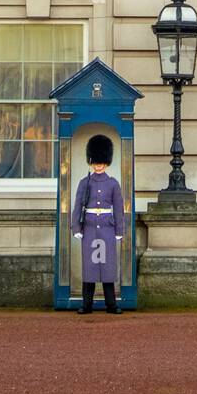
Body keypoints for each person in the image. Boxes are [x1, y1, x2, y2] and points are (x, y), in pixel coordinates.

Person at [71, 134, 124, 315]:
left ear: (106, 162)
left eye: (102, 162)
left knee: (108, 267)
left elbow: (118, 208)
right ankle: (87, 304)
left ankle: (111, 304)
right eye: (96, 161)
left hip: (107, 228)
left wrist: (119, 230)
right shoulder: (85, 183)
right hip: (90, 228)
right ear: (91, 161)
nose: (99, 165)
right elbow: (77, 206)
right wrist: (76, 228)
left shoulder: (113, 184)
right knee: (90, 267)